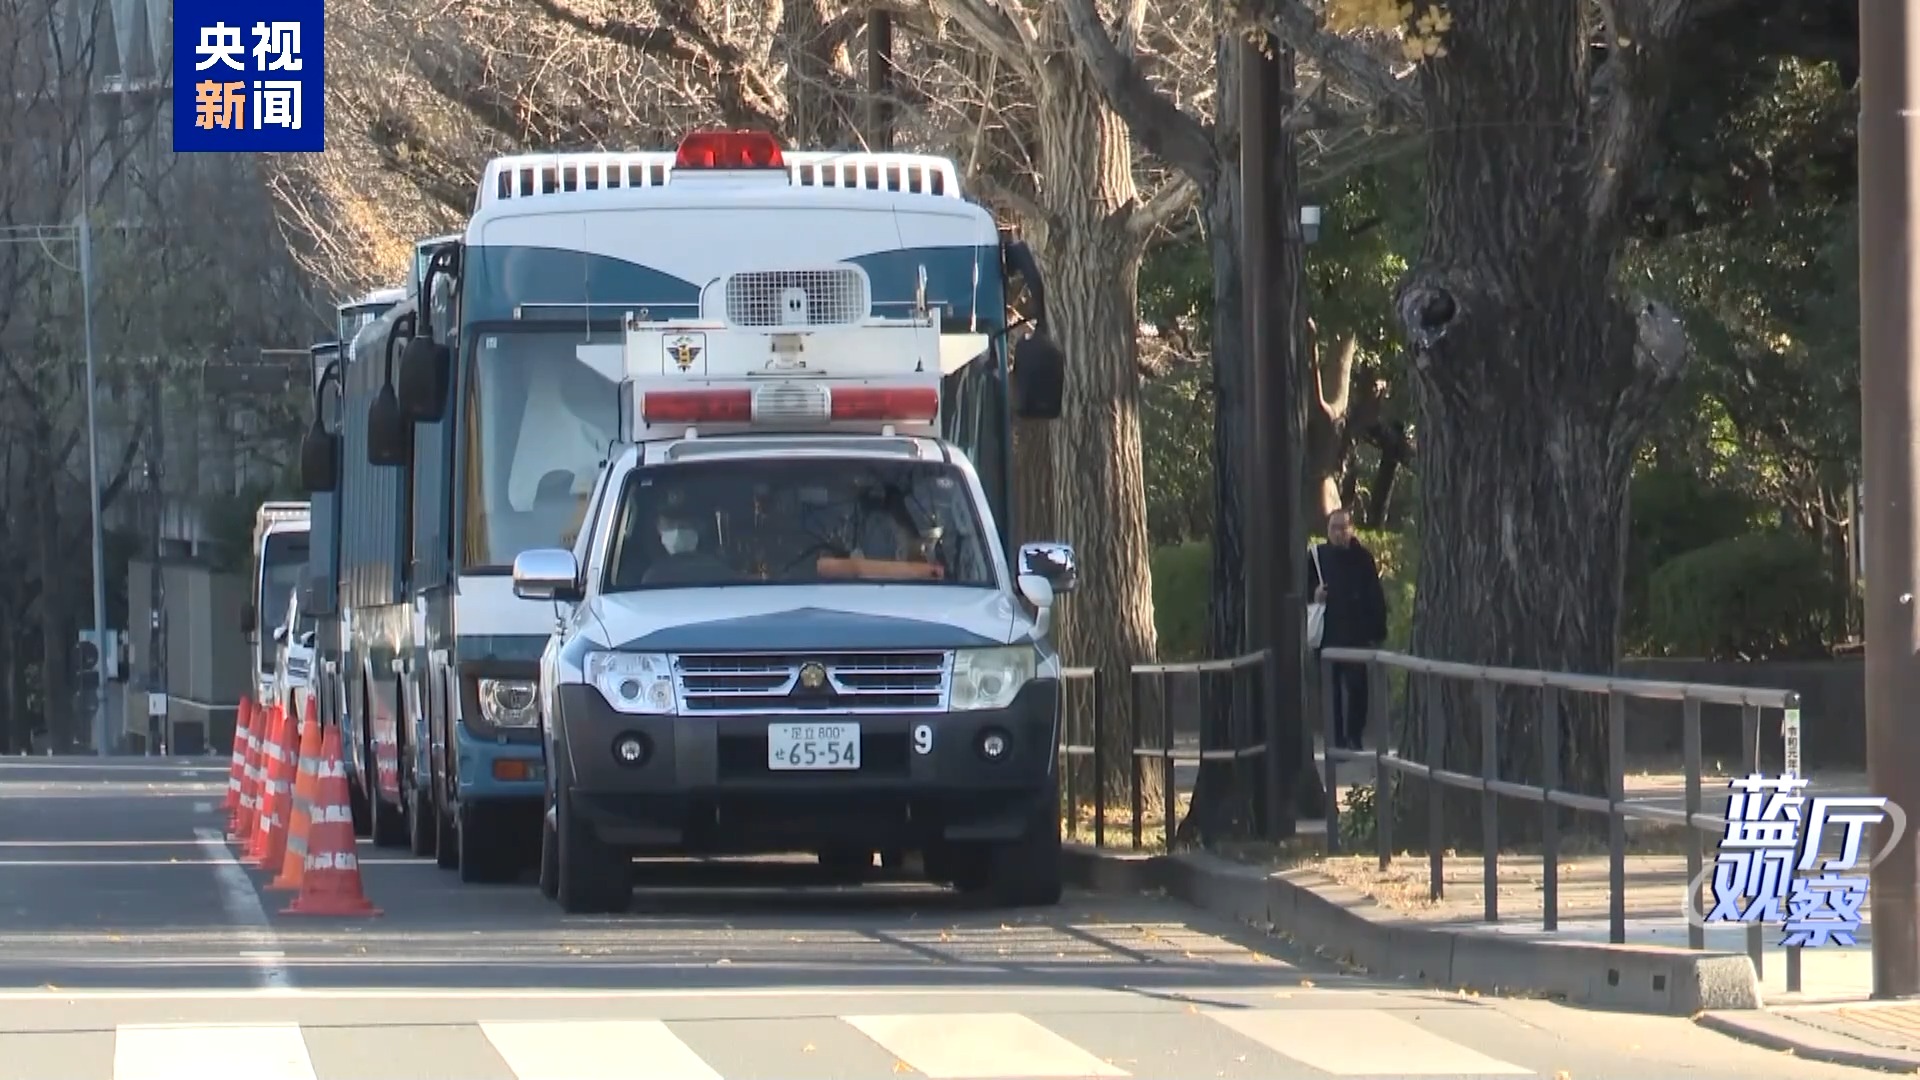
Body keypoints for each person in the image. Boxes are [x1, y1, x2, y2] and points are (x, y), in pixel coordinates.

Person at [1308, 508, 1388, 750]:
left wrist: (1377, 629)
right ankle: (1336, 739)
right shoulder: (1317, 557)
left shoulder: (1362, 558)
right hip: (1329, 632)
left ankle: (1354, 735)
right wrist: (1315, 595)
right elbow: (1303, 588)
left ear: (1351, 529)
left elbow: (1374, 594)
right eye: (1334, 528)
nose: (1339, 533)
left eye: (1344, 527)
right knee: (1330, 692)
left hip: (1356, 633)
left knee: (1357, 689)